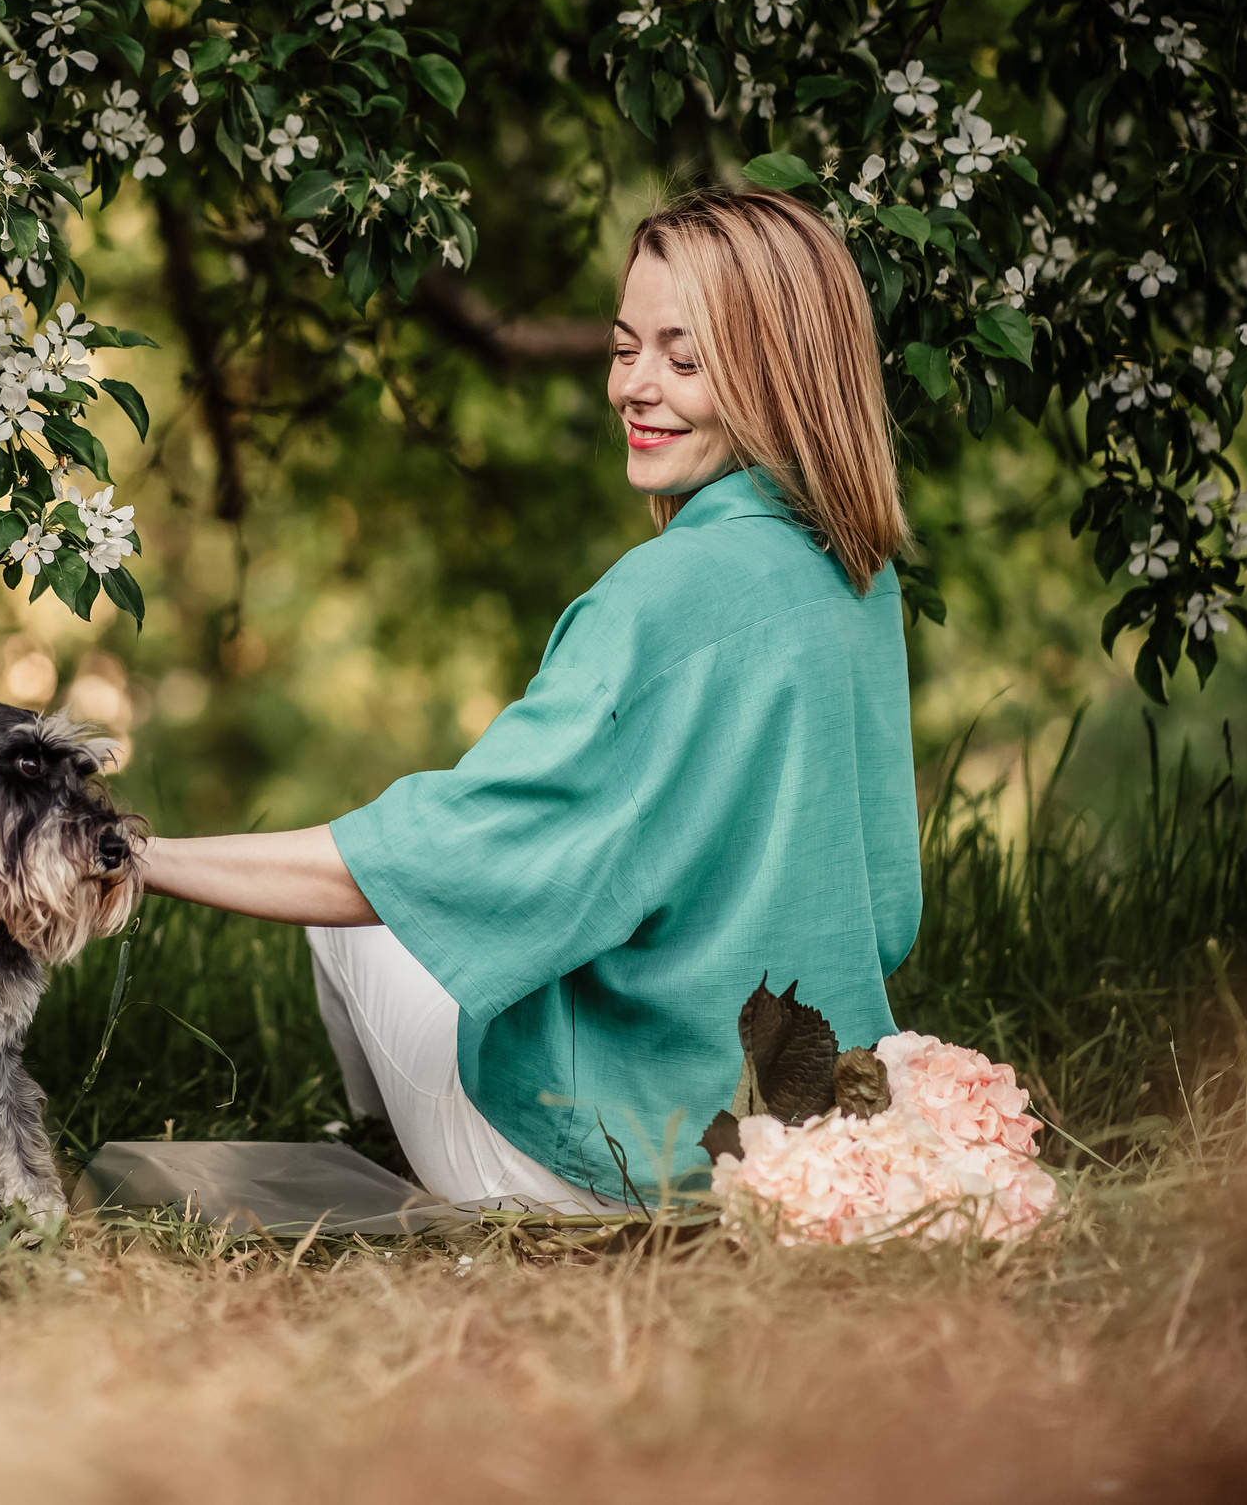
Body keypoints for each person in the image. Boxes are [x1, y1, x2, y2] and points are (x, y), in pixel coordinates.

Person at [135, 189, 921, 1212]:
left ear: (779, 374)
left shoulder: (659, 596)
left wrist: (129, 855)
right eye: (624, 348)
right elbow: (881, 906)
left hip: (598, 1160)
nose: (633, 387)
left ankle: (387, 1150)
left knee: (364, 896)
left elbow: (431, 862)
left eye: (685, 361)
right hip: (809, 1146)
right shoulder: (859, 575)